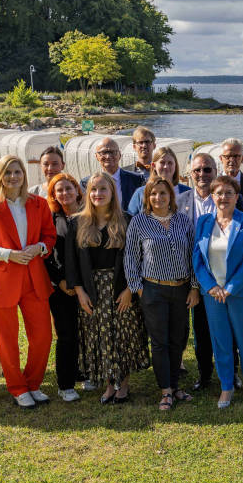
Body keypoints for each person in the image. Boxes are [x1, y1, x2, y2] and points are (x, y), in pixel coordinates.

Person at [0, 155, 57, 409]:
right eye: (7, 172)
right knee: (7, 341)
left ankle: (32, 383)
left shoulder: (39, 205)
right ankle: (17, 388)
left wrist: (39, 247)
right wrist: (9, 255)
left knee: (42, 337)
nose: (13, 177)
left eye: (17, 171)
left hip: (34, 279)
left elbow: (50, 237)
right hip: (2, 281)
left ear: (24, 174)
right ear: (0, 177)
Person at [66, 172, 150, 405]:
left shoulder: (127, 220)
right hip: (92, 290)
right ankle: (108, 384)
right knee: (101, 336)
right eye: (93, 189)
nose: (98, 194)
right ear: (87, 193)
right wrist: (80, 291)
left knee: (122, 334)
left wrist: (130, 289)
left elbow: (137, 258)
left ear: (112, 192)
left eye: (103, 189)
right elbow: (72, 261)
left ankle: (122, 384)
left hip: (120, 287)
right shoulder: (78, 222)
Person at [125, 177, 200, 411]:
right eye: (153, 194)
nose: (158, 198)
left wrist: (195, 287)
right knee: (160, 342)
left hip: (181, 289)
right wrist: (138, 288)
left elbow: (193, 256)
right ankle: (165, 390)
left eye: (163, 193)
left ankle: (176, 386)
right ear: (147, 197)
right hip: (153, 289)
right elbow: (130, 258)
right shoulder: (139, 222)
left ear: (171, 196)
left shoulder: (183, 221)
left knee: (178, 339)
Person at [192, 176, 243, 408]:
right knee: (220, 341)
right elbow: (198, 259)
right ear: (212, 197)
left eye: (229, 192)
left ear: (236, 196)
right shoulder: (203, 222)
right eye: (219, 193)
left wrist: (229, 289)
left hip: (241, 293)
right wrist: (211, 286)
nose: (224, 197)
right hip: (212, 295)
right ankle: (226, 387)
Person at [178, 153, 224, 390]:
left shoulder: (225, 197)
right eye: (197, 170)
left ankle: (231, 371)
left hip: (222, 274)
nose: (202, 174)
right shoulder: (180, 200)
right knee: (200, 328)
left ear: (215, 171)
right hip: (191, 276)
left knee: (228, 327)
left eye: (207, 169)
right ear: (190, 173)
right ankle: (205, 374)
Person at [44, 172, 85, 401]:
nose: (64, 193)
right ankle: (65, 383)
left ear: (77, 190)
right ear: (53, 194)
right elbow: (46, 254)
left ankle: (85, 371)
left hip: (86, 284)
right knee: (66, 334)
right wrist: (60, 280)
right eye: (59, 190)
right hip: (60, 287)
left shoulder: (88, 215)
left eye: (68, 188)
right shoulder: (50, 218)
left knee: (86, 332)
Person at [126, 146, 189, 215]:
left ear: (175, 166)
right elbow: (130, 220)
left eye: (170, 163)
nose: (166, 166)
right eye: (162, 162)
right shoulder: (140, 193)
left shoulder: (187, 192)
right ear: (153, 166)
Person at [87, 137, 144, 210]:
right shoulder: (87, 183)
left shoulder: (137, 180)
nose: (108, 156)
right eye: (103, 152)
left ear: (120, 155)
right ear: (97, 156)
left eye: (112, 152)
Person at [219, 137, 243, 212]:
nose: (232, 160)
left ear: (242, 159)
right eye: (228, 156)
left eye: (236, 156)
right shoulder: (213, 184)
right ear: (221, 159)